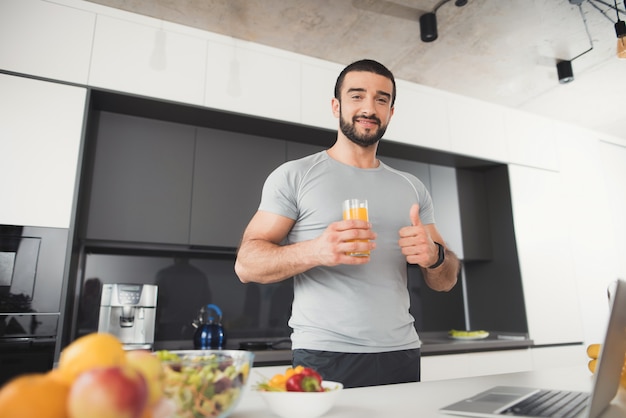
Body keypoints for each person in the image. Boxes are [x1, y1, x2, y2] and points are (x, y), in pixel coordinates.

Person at [234, 59, 460, 388]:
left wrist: (435, 256)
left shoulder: (412, 187)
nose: (369, 107)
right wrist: (316, 250)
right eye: (357, 96)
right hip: (324, 355)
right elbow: (246, 265)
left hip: (402, 352)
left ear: (391, 112)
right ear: (335, 106)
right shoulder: (295, 176)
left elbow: (446, 280)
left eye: (381, 99)